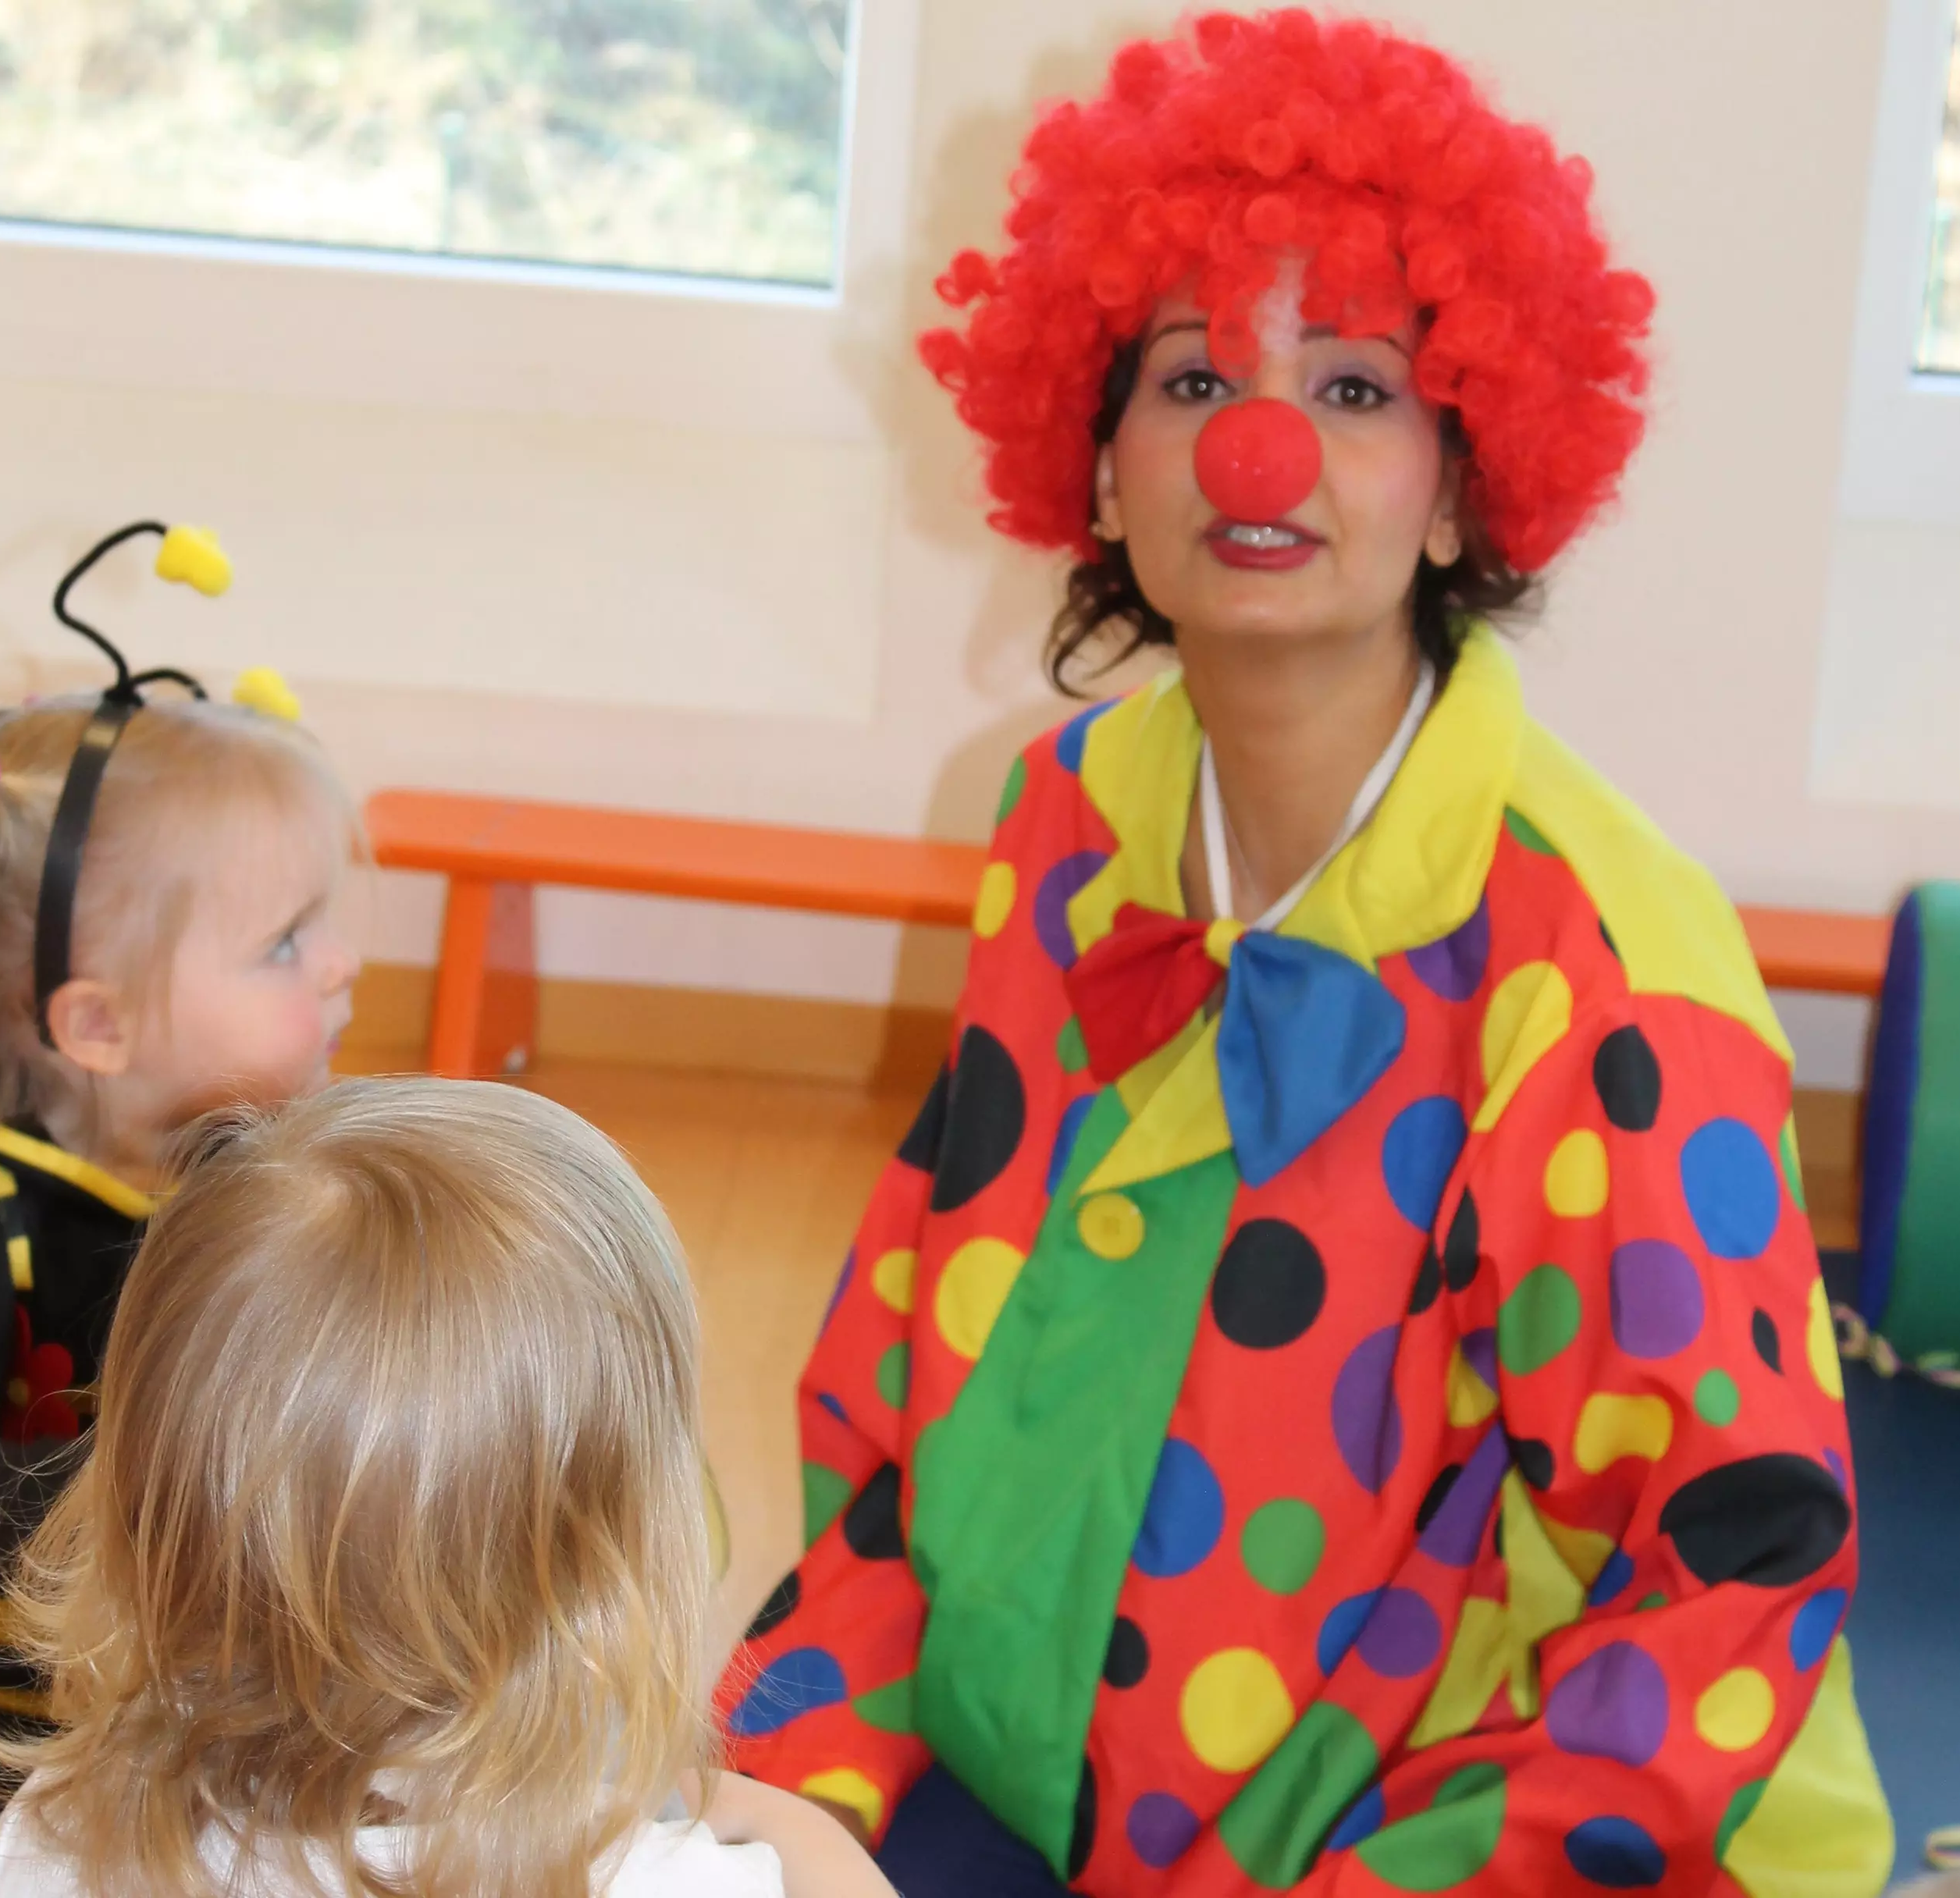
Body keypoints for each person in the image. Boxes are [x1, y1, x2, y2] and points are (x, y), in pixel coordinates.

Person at [719, 12, 1894, 1896]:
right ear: (1095, 468)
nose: (1258, 444)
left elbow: (1725, 1574)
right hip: (1067, 1803)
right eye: (1189, 378)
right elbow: (908, 1365)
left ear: (1459, 479)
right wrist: (806, 1759)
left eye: (1352, 389)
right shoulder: (1066, 820)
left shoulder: (1592, 970)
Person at [0, 1078, 898, 1898]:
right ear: (614, 1568)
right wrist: (761, 1811)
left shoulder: (52, 1839)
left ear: (137, 1515)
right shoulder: (662, 1879)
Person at [0, 529, 360, 1898]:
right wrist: (143, 1518)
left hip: (200, 1721)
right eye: (283, 942)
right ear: (93, 1024)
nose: (339, 964)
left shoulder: (278, 1185)